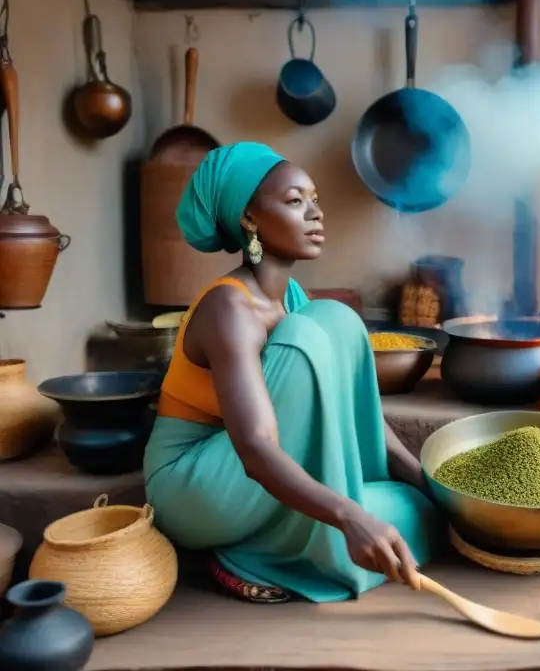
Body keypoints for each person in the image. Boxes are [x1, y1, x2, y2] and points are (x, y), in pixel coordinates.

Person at [143, 142, 438, 604]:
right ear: (249, 220)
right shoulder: (228, 307)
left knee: (419, 512)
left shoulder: (295, 299)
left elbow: (357, 406)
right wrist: (348, 516)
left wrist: (426, 481)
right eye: (295, 201)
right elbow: (256, 448)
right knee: (311, 334)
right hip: (199, 484)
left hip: (262, 475)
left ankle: (294, 533)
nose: (316, 213)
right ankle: (247, 553)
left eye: (314, 199)